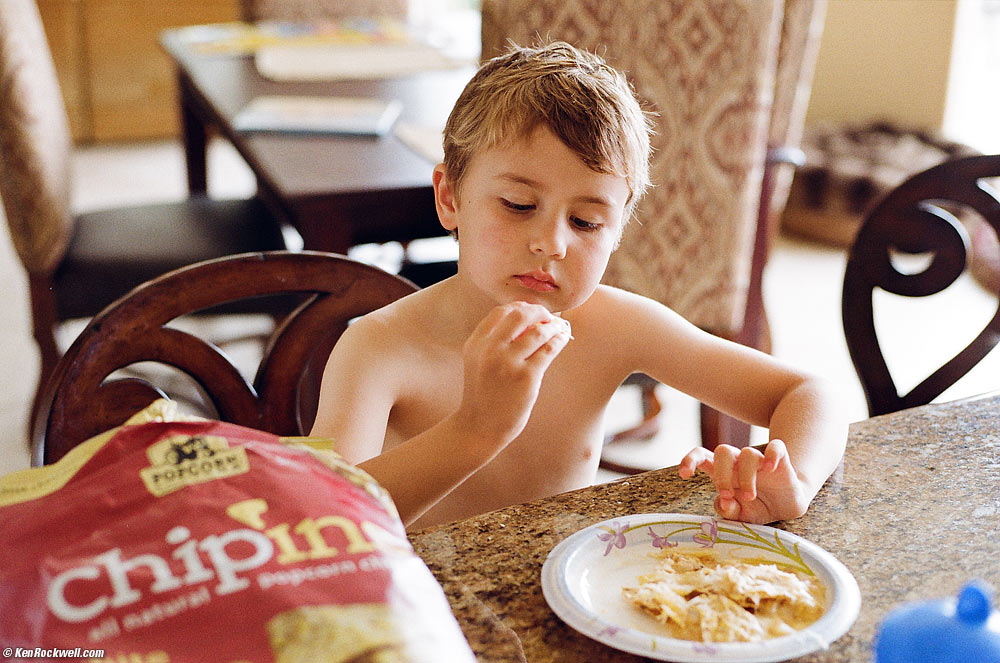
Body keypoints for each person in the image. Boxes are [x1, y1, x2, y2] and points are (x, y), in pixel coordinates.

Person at [310, 41, 847, 530]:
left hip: (559, 594)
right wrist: (474, 431)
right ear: (450, 198)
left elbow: (809, 394)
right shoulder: (376, 348)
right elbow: (320, 517)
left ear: (618, 232)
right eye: (518, 206)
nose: (552, 243)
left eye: (587, 222)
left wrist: (792, 480)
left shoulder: (616, 326)